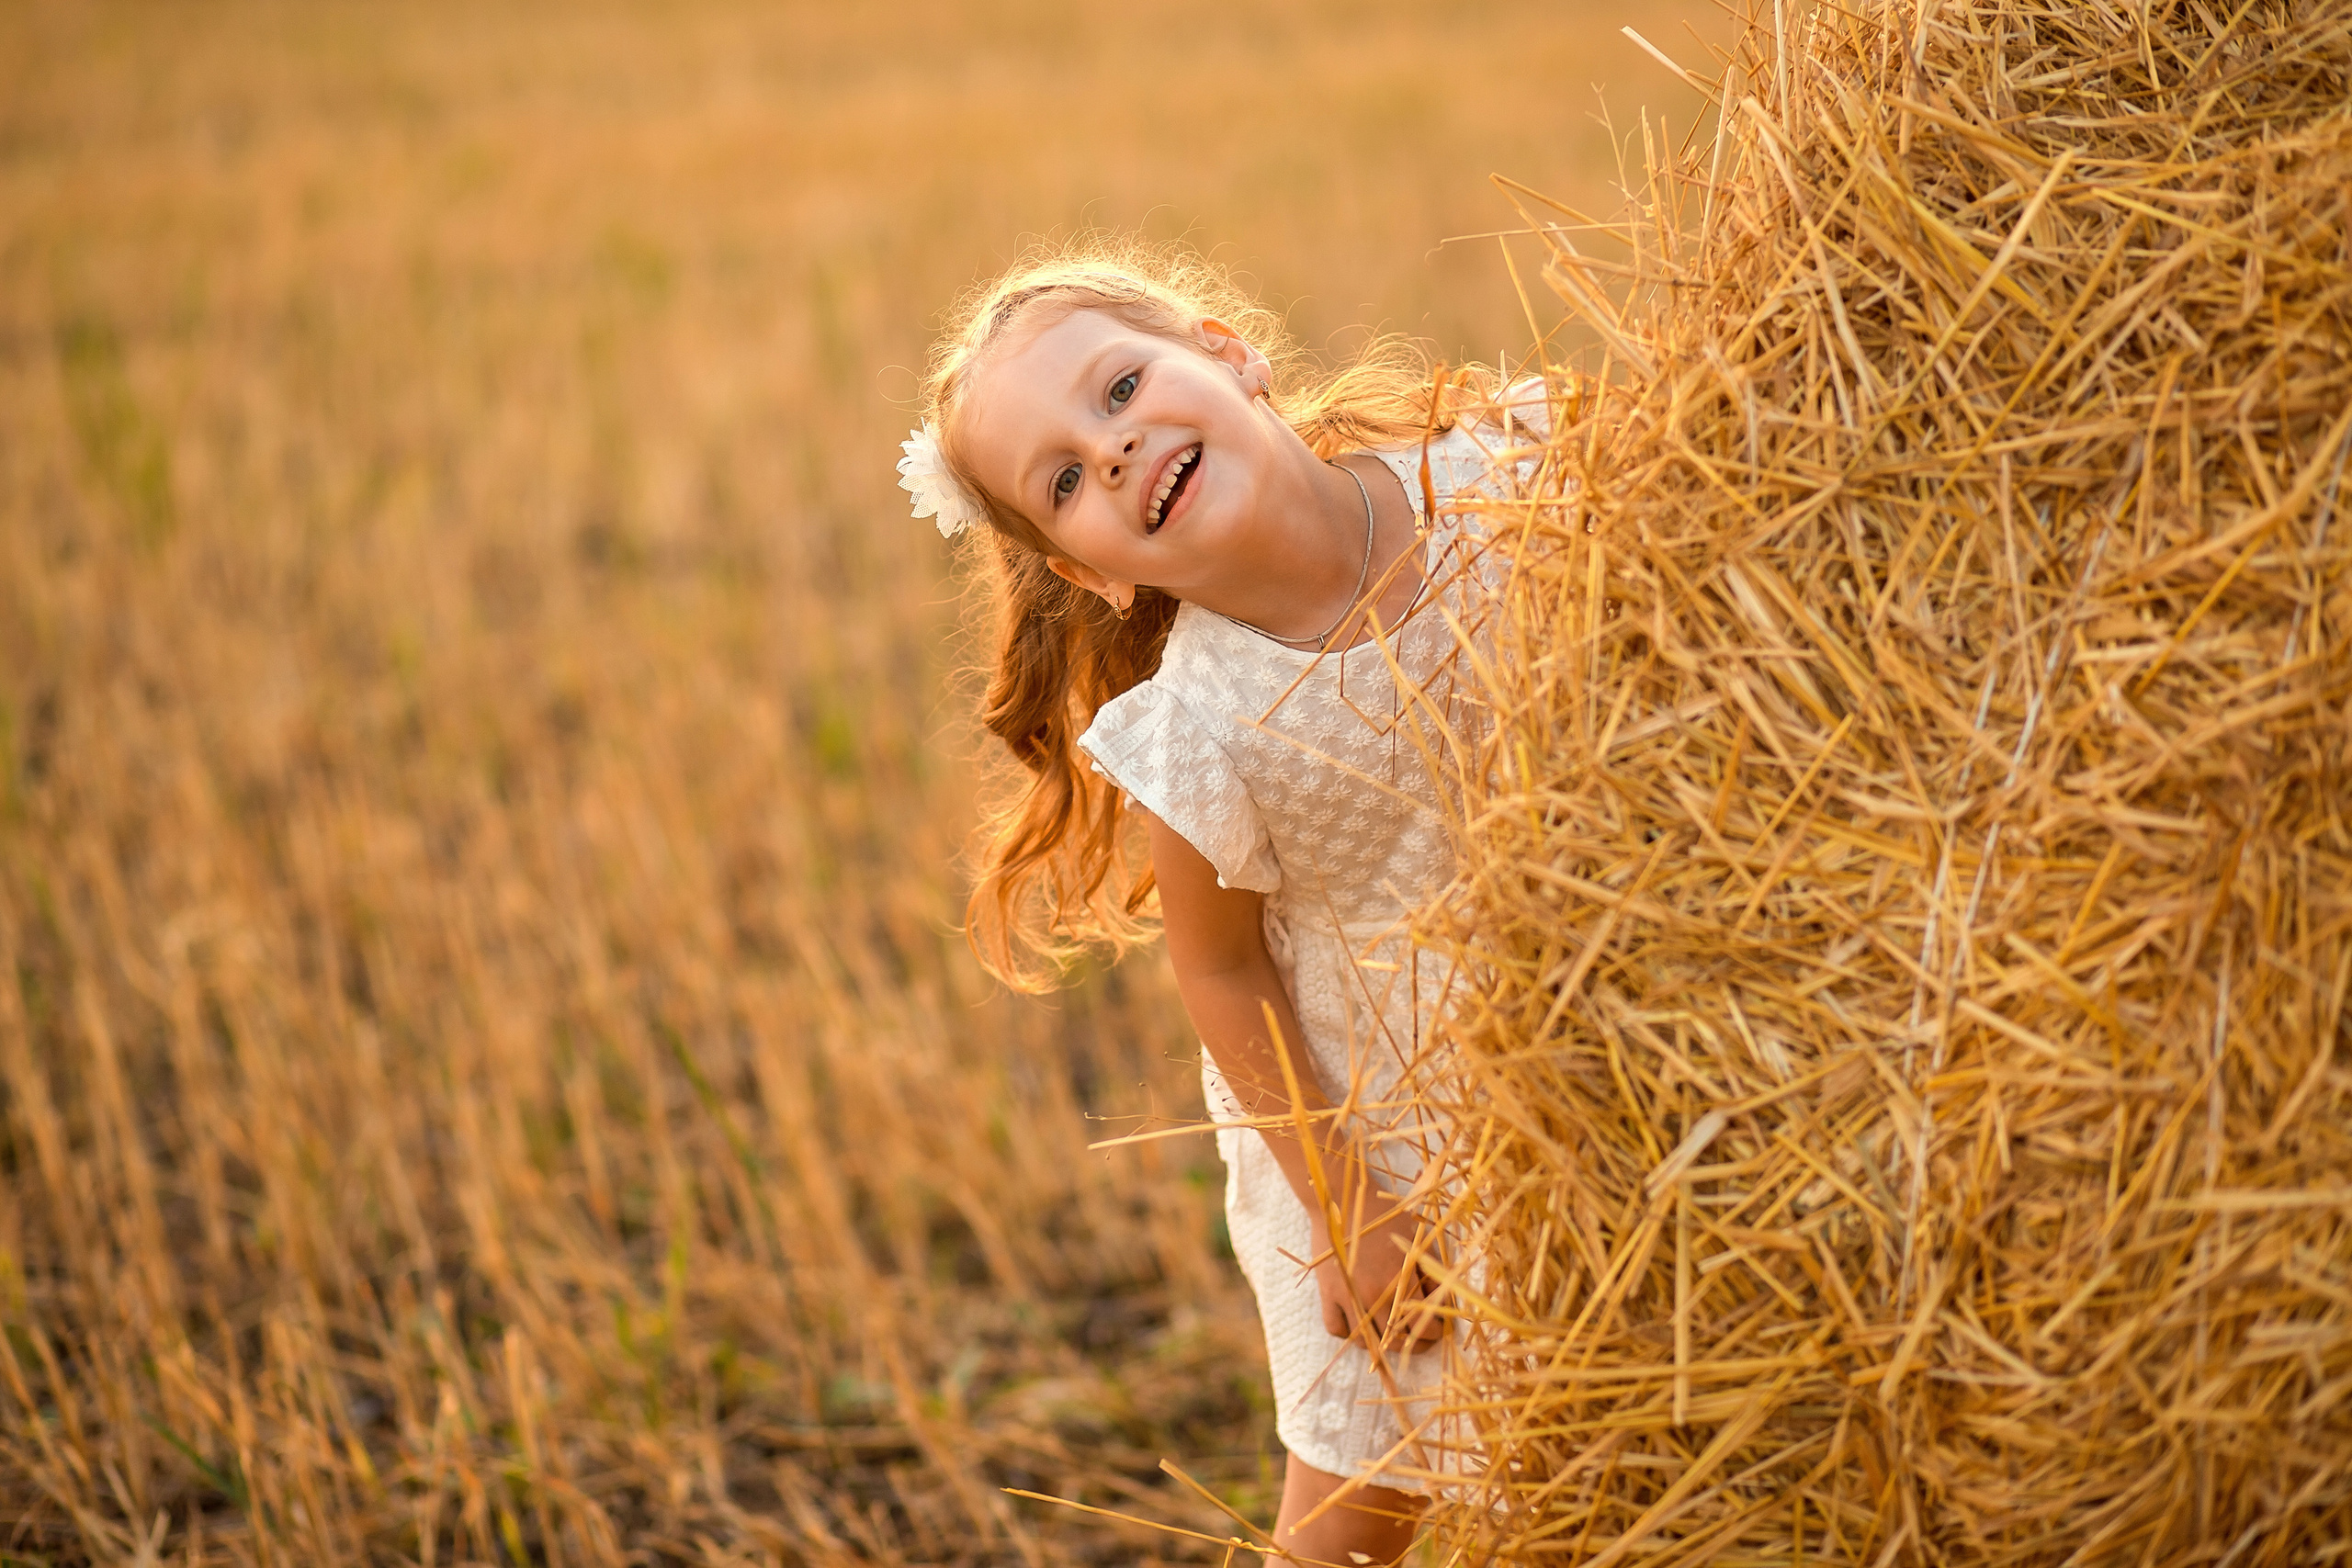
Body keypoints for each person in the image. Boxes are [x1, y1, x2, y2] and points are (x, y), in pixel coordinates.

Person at [899, 237, 1537, 1565]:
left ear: (1228, 353)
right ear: (1085, 571)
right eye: (1065, 478)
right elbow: (1225, 976)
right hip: (1385, 1127)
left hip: (1585, 1055)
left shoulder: (1500, 483)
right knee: (1370, 1493)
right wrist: (1351, 1202)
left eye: (1121, 392)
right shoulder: (1203, 726)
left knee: (1586, 1428)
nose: (1114, 452)